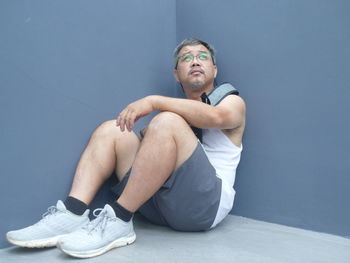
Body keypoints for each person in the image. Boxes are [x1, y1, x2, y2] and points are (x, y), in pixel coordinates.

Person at [6, 38, 246, 258]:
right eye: (186, 57)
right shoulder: (174, 112)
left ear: (214, 70)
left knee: (167, 121)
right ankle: (72, 213)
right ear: (176, 74)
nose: (194, 61)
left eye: (203, 56)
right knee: (113, 129)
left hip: (203, 209)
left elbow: (216, 117)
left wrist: (154, 103)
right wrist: (153, 141)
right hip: (157, 207)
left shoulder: (230, 100)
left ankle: (120, 219)